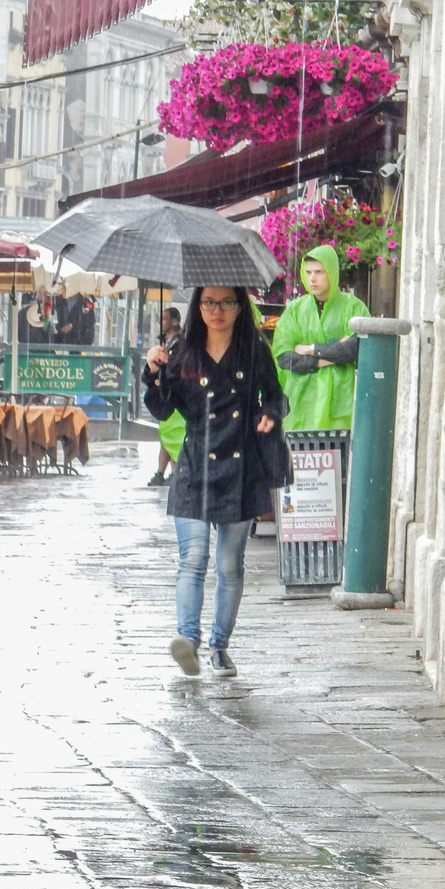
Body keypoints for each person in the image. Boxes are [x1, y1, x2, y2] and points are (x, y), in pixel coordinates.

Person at [143, 286, 288, 679]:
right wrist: (154, 372)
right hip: (193, 467)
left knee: (229, 564)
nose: (217, 310)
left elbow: (275, 396)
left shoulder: (254, 349)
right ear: (198, 306)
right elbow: (162, 408)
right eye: (209, 302)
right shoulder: (181, 350)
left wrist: (269, 416)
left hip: (241, 468)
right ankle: (187, 640)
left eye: (226, 302)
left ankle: (220, 647)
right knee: (192, 559)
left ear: (240, 306)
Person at [270, 244, 368, 430]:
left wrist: (310, 349)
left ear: (331, 272)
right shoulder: (295, 310)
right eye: (308, 272)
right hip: (301, 404)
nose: (312, 278)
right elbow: (284, 357)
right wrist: (330, 358)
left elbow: (357, 348)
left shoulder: (353, 307)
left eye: (319, 272)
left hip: (341, 404)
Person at [149, 306, 185, 486]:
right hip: (166, 396)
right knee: (165, 436)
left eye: (164, 319)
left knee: (175, 435)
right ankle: (162, 472)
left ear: (174, 321)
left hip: (175, 397)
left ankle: (176, 471)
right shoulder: (166, 341)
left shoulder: (180, 342)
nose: (161, 323)